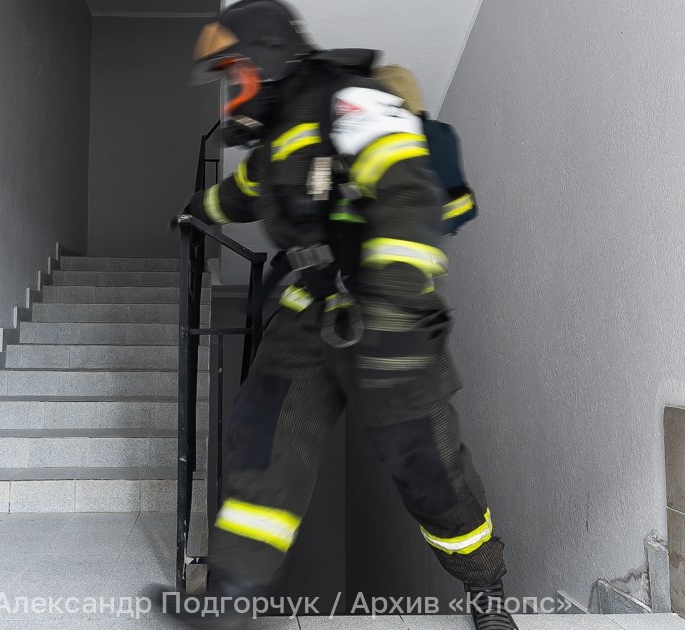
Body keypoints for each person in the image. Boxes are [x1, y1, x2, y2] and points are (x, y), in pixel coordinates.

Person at [163, 2, 517, 628]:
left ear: (266, 57)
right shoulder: (277, 139)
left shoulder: (347, 98)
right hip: (308, 307)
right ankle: (228, 598)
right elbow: (242, 196)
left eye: (234, 73)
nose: (230, 91)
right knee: (262, 440)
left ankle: (487, 589)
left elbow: (406, 188)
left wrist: (397, 307)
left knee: (425, 467)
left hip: (385, 307)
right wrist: (196, 209)